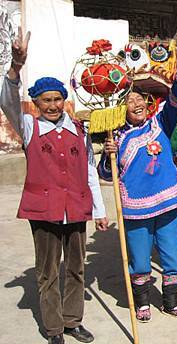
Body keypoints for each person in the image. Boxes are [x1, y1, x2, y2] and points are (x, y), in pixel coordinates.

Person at [0, 30, 108, 344]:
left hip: (75, 208)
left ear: (64, 100)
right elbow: (7, 101)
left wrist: (99, 211)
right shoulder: (30, 126)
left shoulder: (78, 128)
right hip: (43, 210)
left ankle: (73, 321)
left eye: (57, 99)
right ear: (36, 103)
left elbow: (89, 171)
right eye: (46, 100)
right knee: (47, 272)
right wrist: (15, 68)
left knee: (75, 269)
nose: (53, 105)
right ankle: (54, 328)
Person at [99, 48, 177, 322]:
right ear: (121, 108)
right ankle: (142, 303)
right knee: (140, 261)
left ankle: (171, 303)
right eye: (130, 101)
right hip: (136, 209)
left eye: (140, 98)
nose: (137, 103)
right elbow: (107, 175)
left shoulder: (161, 123)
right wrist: (108, 154)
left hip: (167, 202)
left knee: (172, 257)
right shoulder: (115, 137)